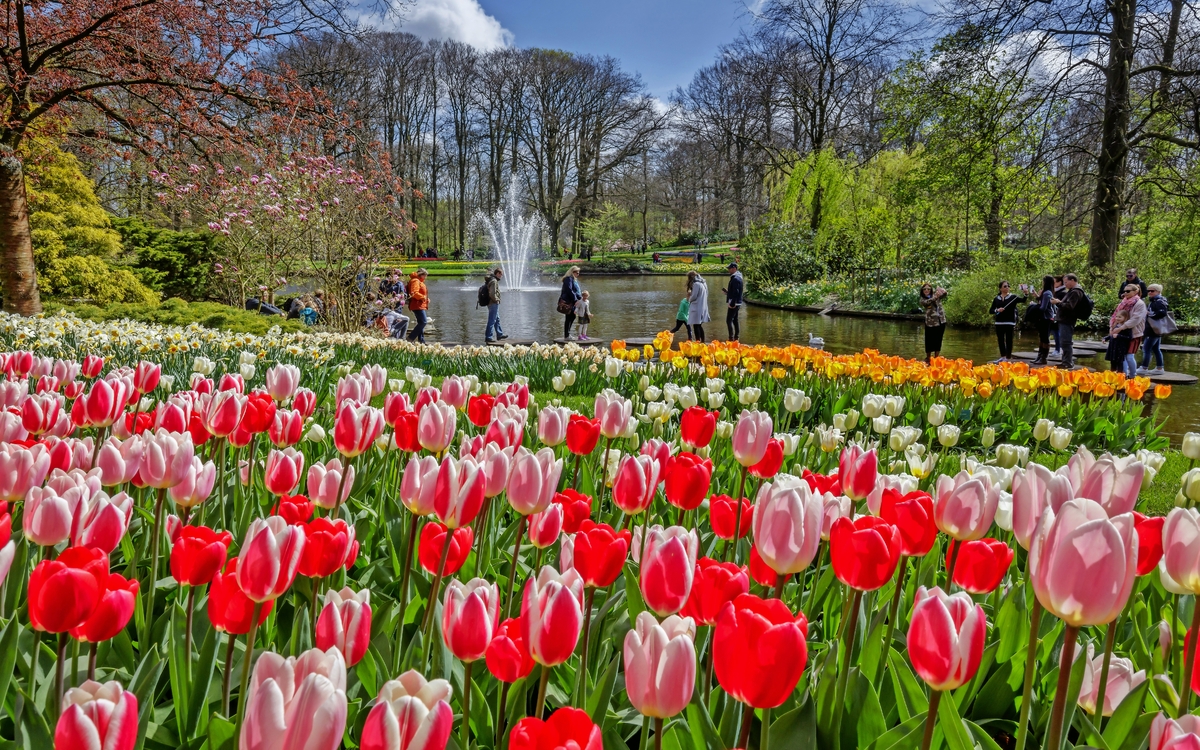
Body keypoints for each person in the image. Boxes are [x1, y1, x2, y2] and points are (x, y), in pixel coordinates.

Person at [1050, 273, 1086, 369]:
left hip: (1067, 320)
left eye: (1066, 282)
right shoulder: (1071, 291)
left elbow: (1069, 306)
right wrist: (1059, 302)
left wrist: (1058, 302)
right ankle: (1065, 361)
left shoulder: (1076, 292)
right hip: (1064, 319)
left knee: (1066, 342)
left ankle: (1068, 363)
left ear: (1073, 280)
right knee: (1064, 342)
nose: (1065, 284)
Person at [1110, 283, 1147, 377]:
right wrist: (1112, 327)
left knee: (1129, 356)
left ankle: (1133, 376)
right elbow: (1116, 316)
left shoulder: (1140, 304)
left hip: (1134, 333)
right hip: (1122, 333)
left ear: (1136, 291)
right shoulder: (1123, 302)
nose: (1125, 293)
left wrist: (1121, 328)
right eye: (1124, 291)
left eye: (1128, 291)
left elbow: (1135, 319)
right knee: (1122, 356)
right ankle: (1124, 375)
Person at [989, 281, 1024, 361]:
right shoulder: (996, 299)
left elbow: (1023, 300)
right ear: (1000, 288)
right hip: (999, 322)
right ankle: (1003, 356)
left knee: (1009, 340)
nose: (1007, 287)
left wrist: (1025, 294)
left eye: (1008, 286)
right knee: (1000, 340)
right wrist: (997, 310)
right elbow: (991, 310)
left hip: (1010, 322)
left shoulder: (1013, 297)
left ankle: (1008, 357)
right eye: (1005, 286)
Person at [1139, 284, 1170, 375]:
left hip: (1153, 329)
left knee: (1146, 348)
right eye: (1148, 291)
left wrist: (1149, 313)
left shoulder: (1158, 301)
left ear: (1158, 291)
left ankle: (1144, 367)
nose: (1149, 293)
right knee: (1156, 349)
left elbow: (1162, 313)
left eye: (1152, 291)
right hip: (1156, 329)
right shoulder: (1156, 301)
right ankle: (1159, 368)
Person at [1026, 275, 1056, 364]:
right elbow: (1042, 302)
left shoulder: (1047, 293)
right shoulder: (1046, 292)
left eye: (1043, 281)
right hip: (1044, 318)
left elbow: (1043, 307)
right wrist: (1037, 296)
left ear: (1046, 282)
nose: (1042, 282)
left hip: (1046, 318)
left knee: (1045, 337)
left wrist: (1033, 305)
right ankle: (1039, 356)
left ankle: (1043, 358)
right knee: (1042, 337)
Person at [918, 283, 948, 363]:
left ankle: (936, 357)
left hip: (941, 320)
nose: (926, 290)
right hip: (930, 323)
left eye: (928, 289)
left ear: (931, 290)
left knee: (938, 340)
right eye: (924, 289)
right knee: (929, 340)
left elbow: (945, 293)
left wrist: (940, 290)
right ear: (922, 291)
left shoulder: (936, 296)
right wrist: (935, 297)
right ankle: (928, 358)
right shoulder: (922, 299)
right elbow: (927, 302)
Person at [558, 266, 582, 339]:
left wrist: (580, 297)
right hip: (569, 301)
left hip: (572, 301)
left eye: (578, 273)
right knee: (569, 317)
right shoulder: (568, 279)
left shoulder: (573, 279)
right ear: (572, 272)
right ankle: (566, 335)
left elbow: (575, 291)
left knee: (572, 316)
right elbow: (569, 290)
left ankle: (567, 334)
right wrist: (575, 299)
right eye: (576, 273)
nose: (578, 274)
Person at [406, 268, 429, 343]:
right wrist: (423, 297)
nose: (426, 277)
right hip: (417, 305)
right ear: (421, 275)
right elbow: (414, 293)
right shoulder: (415, 281)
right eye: (425, 275)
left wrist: (426, 299)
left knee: (420, 322)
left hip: (419, 304)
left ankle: (421, 340)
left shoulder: (418, 281)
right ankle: (410, 338)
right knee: (423, 322)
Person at [687, 270, 710, 343]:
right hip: (703, 306)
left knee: (696, 325)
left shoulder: (696, 284)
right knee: (699, 325)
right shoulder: (703, 283)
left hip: (697, 306)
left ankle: (698, 341)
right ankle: (702, 341)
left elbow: (694, 296)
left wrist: (689, 299)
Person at [484, 267, 507, 343]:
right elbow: (492, 293)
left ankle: (499, 334)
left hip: (491, 302)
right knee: (492, 320)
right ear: (497, 273)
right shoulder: (494, 281)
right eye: (501, 274)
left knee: (497, 319)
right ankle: (488, 337)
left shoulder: (491, 280)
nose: (501, 276)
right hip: (493, 303)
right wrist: (496, 300)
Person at [723, 262, 744, 341]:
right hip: (737, 302)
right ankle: (736, 337)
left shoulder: (735, 279)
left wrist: (732, 303)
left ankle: (731, 338)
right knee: (735, 319)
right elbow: (735, 291)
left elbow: (736, 292)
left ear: (734, 268)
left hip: (734, 302)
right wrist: (728, 293)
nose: (729, 270)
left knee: (728, 320)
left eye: (730, 268)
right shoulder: (738, 277)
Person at [1051, 275, 1065, 355]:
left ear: (1059, 283)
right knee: (1054, 332)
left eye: (1054, 282)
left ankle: (1058, 349)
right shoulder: (1054, 291)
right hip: (1053, 315)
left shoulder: (1062, 292)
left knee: (1057, 333)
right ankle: (1057, 349)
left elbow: (1061, 304)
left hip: (1059, 316)